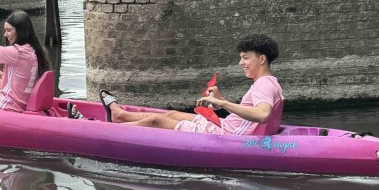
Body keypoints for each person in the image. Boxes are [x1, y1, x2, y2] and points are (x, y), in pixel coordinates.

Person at [92, 34, 283, 136]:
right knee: (172, 114)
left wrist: (224, 105)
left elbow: (262, 115)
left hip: (227, 135)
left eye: (245, 58)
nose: (241, 63)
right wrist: (221, 100)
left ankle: (105, 132)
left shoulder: (263, 85)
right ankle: (120, 115)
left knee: (157, 122)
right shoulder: (269, 82)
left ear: (262, 59)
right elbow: (252, 113)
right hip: (225, 125)